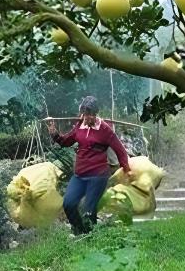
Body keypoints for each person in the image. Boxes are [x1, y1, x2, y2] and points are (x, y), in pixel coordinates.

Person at [46, 96, 132, 234]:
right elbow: (65, 141)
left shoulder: (105, 129)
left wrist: (126, 169)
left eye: (90, 114)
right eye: (85, 114)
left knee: (88, 211)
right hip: (80, 176)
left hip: (98, 177)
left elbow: (120, 150)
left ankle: (91, 237)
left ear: (95, 114)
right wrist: (54, 134)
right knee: (68, 204)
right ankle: (80, 232)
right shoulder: (80, 125)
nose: (87, 117)